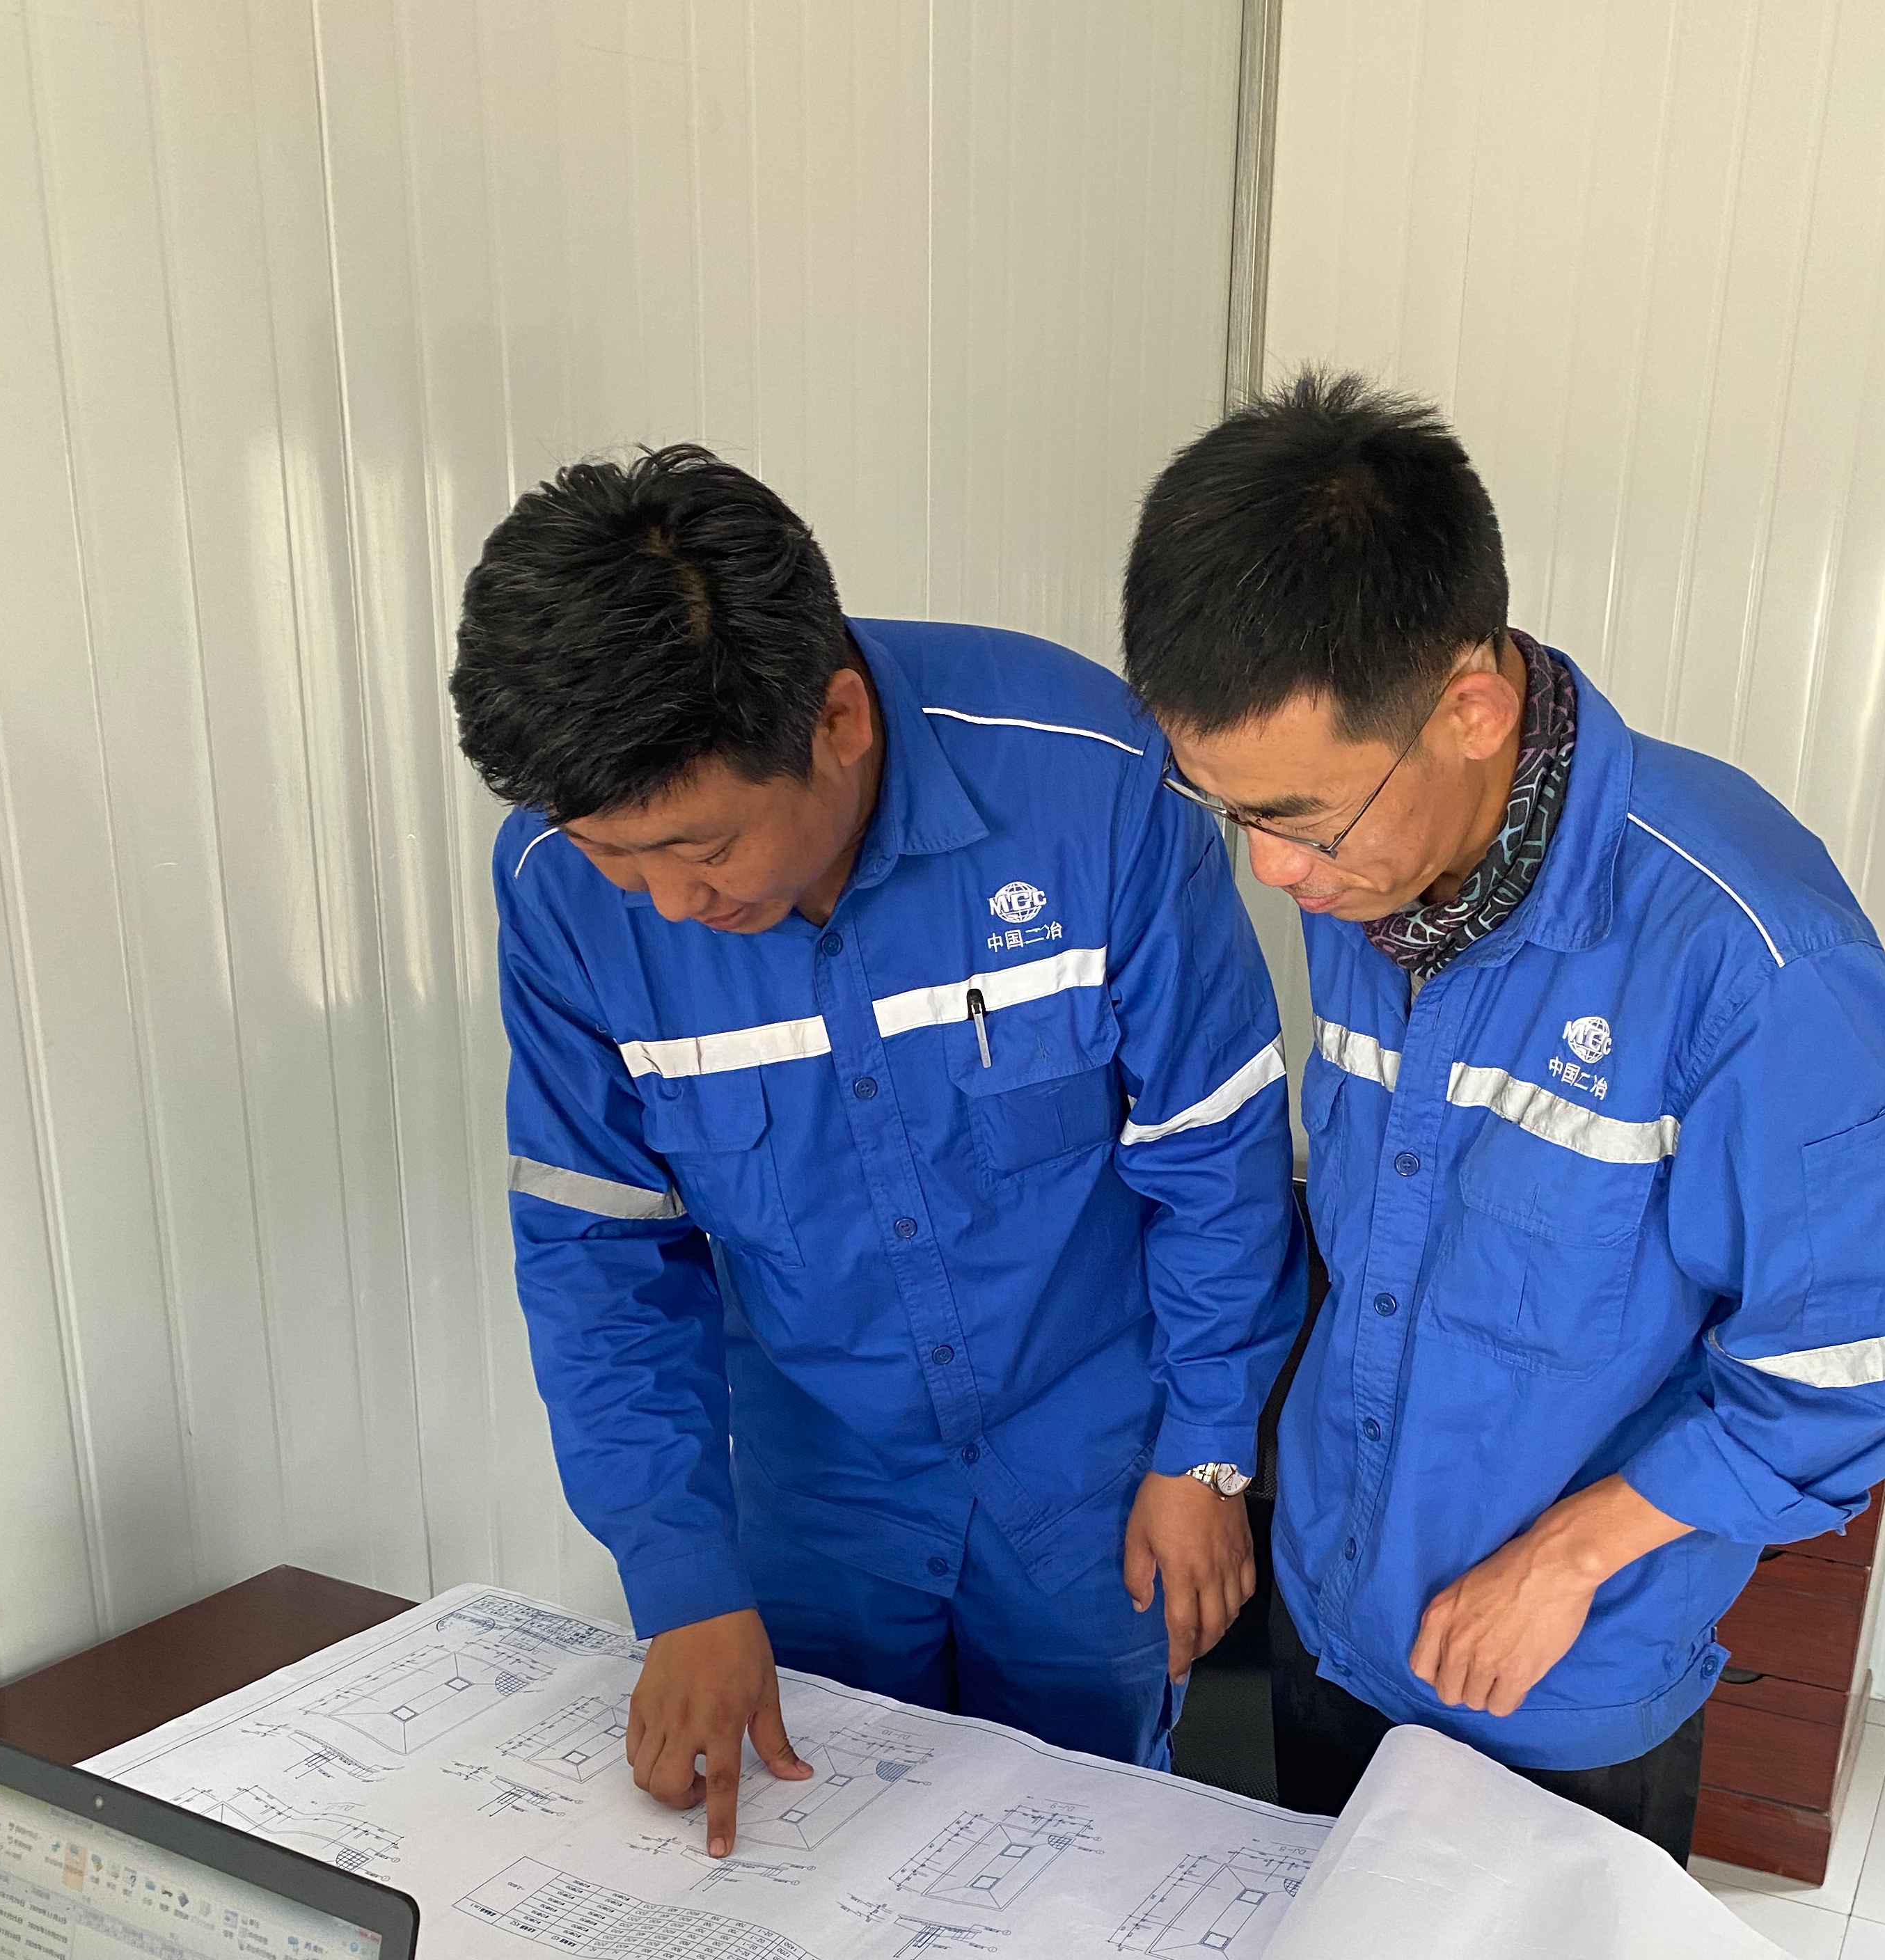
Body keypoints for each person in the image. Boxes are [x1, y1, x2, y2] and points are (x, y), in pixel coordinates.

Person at [1120, 373, 1885, 1861]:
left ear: (1470, 708)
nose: (1273, 874)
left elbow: (1875, 1351)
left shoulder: (1747, 956)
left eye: (1301, 819)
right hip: (1336, 1610)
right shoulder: (1376, 878)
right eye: (1231, 810)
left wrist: (1572, 1556)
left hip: (1554, 1681)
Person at [450, 447, 1304, 1853]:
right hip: (815, 1475)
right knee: (819, 1861)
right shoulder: (558, 895)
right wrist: (683, 1577)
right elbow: (600, 1255)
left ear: (837, 719)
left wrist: (1208, 1448)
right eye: (617, 858)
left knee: (1083, 1864)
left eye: (701, 848)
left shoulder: (1087, 783)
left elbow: (1215, 1151)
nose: (665, 907)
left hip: (1093, 1461)